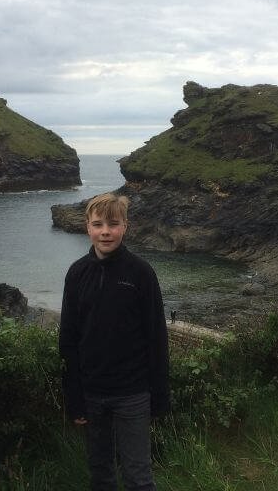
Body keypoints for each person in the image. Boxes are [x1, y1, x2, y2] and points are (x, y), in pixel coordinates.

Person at [59, 193, 169, 491]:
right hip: (92, 393)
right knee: (100, 473)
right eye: (98, 224)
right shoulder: (77, 273)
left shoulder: (141, 273)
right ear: (88, 228)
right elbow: (68, 339)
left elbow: (157, 337)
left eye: (113, 224)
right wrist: (75, 398)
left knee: (138, 476)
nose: (105, 231)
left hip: (133, 393)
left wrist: (159, 396)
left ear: (125, 227)